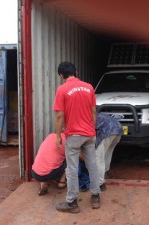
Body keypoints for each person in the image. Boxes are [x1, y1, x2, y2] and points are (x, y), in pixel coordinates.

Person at [53, 61, 100, 213]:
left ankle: (72, 202)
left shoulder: (62, 89)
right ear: (76, 72)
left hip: (73, 135)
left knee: (72, 169)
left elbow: (60, 115)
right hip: (89, 134)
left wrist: (58, 136)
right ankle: (95, 197)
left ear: (61, 75)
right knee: (92, 164)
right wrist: (92, 129)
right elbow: (93, 112)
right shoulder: (89, 87)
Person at [95, 113, 123, 191]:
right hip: (118, 131)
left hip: (107, 132)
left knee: (99, 158)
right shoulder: (99, 115)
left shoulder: (88, 117)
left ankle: (100, 184)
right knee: (107, 153)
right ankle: (105, 172)